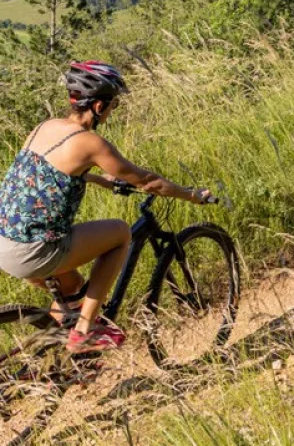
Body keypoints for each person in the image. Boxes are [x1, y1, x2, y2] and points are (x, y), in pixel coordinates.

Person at [0, 61, 211, 352]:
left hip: (5, 245)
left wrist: (104, 181)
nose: (112, 111)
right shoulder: (91, 143)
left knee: (73, 288)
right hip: (36, 251)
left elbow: (49, 173)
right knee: (121, 233)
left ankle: (49, 364)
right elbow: (148, 182)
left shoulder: (44, 127)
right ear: (98, 106)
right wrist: (191, 195)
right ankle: (85, 330)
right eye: (113, 105)